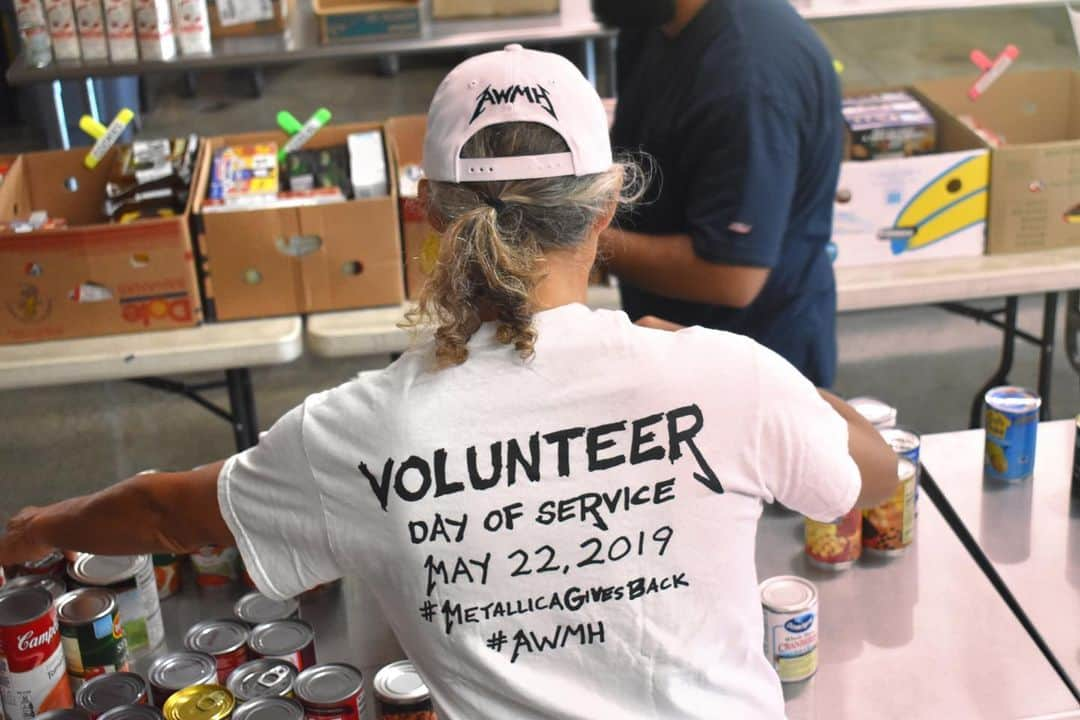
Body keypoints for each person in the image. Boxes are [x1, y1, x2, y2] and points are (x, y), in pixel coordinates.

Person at [0, 46, 896, 720]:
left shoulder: (358, 432)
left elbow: (166, 513)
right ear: (610, 201)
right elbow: (873, 476)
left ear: (431, 212)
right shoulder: (723, 376)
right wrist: (747, 366)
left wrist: (38, 528)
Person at [592, 0, 844, 387]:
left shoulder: (746, 78)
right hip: (674, 350)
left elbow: (731, 276)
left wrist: (578, 237)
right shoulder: (653, 22)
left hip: (753, 375)